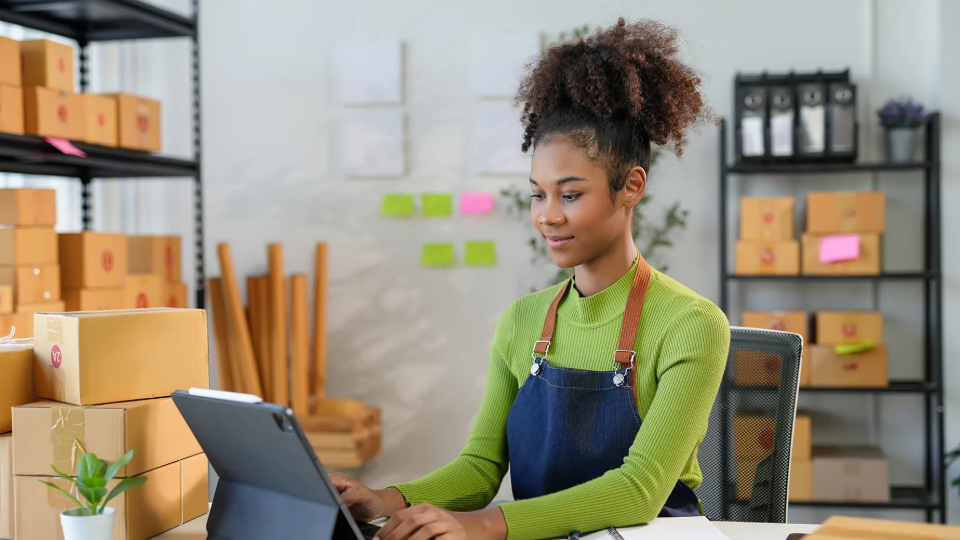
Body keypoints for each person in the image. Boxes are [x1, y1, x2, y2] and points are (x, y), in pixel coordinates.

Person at [331, 18, 729, 540]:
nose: (547, 216)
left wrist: (482, 525)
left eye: (570, 194)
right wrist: (383, 500)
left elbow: (639, 490)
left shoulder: (691, 324)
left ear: (631, 187)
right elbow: (479, 467)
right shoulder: (522, 322)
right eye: (538, 194)